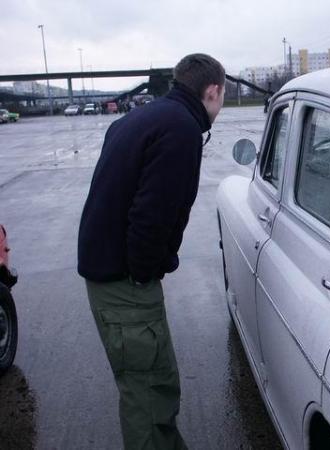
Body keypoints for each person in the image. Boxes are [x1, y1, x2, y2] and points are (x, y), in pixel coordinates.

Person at [78, 53, 226, 450]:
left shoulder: (143, 117)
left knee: (155, 386)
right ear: (213, 91)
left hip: (107, 272)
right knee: (149, 396)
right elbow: (151, 216)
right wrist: (145, 274)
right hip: (125, 283)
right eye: (223, 96)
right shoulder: (181, 129)